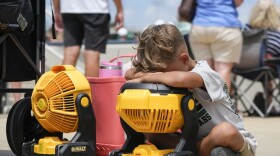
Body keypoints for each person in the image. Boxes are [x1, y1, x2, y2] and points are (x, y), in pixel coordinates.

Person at [125, 24, 257, 156]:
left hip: (235, 142)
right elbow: (129, 73)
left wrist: (148, 77)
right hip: (197, 140)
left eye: (164, 73)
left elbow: (180, 79)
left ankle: (194, 152)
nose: (161, 78)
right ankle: (194, 150)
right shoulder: (170, 70)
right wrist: (148, 73)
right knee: (153, 134)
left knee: (224, 131)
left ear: (184, 59)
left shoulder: (206, 74)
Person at [53, 0, 124, 77]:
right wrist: (119, 9)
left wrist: (57, 10)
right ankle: (91, 88)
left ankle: (63, 88)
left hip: (69, 8)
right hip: (96, 8)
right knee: (92, 53)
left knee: (70, 51)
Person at [189, 0, 244, 90]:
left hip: (199, 26)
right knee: (222, 69)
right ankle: (220, 104)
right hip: (225, 25)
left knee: (205, 72)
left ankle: (205, 104)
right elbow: (238, 2)